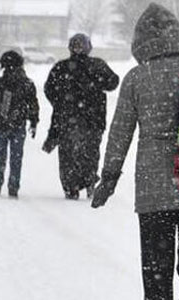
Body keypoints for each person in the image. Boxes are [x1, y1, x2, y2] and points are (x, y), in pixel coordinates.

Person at [91, 3, 179, 300]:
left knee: (156, 272)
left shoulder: (138, 79)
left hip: (153, 192)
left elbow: (120, 132)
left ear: (140, 41)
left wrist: (109, 177)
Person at [44, 33, 120, 200]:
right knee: (90, 153)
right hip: (93, 119)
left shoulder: (61, 67)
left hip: (69, 119)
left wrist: (61, 103)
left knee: (68, 155)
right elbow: (113, 82)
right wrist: (96, 84)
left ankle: (72, 186)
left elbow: (49, 89)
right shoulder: (97, 65)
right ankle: (88, 181)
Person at [0, 50, 39, 198]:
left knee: (0, 155)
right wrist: (33, 121)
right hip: (18, 125)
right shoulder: (27, 84)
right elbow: (33, 104)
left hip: (1, 124)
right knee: (16, 157)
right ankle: (13, 186)